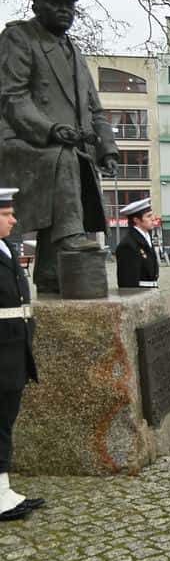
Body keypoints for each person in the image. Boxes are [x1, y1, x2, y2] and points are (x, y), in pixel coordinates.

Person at [0, 0, 119, 293]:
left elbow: (95, 108)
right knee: (64, 159)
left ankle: (51, 273)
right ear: (36, 6)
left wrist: (107, 148)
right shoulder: (19, 38)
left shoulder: (74, 51)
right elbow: (12, 97)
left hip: (66, 146)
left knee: (76, 161)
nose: (65, 10)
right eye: (56, 3)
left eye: (70, 4)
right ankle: (70, 236)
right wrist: (50, 129)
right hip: (23, 141)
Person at [0, 188, 43, 522]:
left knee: (5, 421)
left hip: (13, 351)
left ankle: (3, 489)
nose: (14, 220)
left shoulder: (6, 248)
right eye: (6, 214)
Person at [115, 197, 159, 289]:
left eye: (152, 215)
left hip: (151, 292)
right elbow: (127, 283)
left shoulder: (146, 239)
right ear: (136, 220)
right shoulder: (128, 245)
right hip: (139, 294)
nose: (153, 219)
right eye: (148, 216)